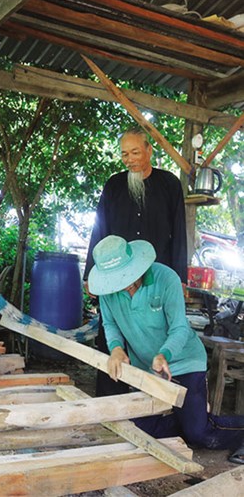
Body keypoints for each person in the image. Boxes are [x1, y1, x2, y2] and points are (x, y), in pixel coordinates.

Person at [88, 235, 244, 464]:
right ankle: (193, 414)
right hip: (147, 367)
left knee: (200, 434)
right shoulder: (108, 291)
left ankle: (207, 422)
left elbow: (180, 328)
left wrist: (164, 355)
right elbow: (110, 324)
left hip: (184, 360)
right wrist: (116, 349)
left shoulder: (166, 278)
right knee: (138, 429)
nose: (120, 285)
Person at [83, 126, 188, 396]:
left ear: (149, 151)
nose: (129, 159)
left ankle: (153, 402)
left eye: (135, 152)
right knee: (112, 335)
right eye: (124, 154)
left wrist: (181, 278)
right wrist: (89, 275)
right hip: (114, 277)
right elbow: (99, 230)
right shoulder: (114, 185)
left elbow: (178, 233)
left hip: (154, 279)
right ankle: (109, 399)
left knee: (154, 336)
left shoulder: (169, 185)